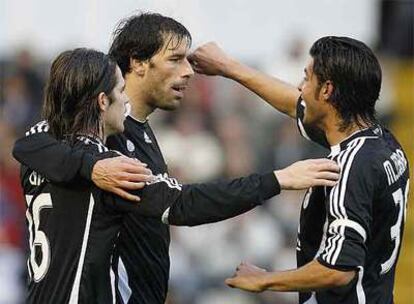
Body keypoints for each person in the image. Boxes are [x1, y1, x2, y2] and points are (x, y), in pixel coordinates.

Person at [13, 14, 340, 304]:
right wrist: (278, 180)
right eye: (176, 59)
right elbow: (184, 204)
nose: (188, 72)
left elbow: (27, 146)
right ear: (138, 63)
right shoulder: (104, 139)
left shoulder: (134, 132)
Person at [189, 37, 410, 303]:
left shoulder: (349, 166)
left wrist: (265, 280)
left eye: (306, 79)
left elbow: (339, 269)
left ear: (327, 90)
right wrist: (229, 67)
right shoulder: (384, 142)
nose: (300, 88)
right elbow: (295, 104)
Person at [21, 48, 135, 303]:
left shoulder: (40, 147)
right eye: (121, 89)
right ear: (103, 100)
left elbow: (23, 145)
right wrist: (93, 168)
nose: (126, 99)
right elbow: (183, 203)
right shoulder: (104, 161)